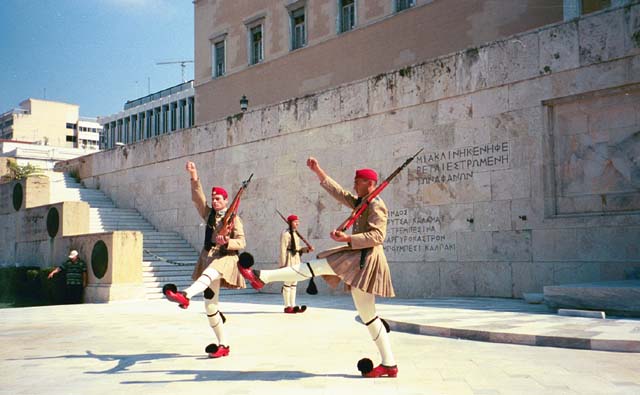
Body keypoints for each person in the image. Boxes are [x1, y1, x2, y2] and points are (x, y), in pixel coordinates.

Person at [239, 157, 398, 378]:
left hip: (365, 260)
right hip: (359, 258)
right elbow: (340, 193)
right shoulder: (363, 202)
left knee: (318, 265)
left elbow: (378, 236)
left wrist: (346, 239)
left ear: (369, 183)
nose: (354, 185)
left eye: (358, 181)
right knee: (369, 317)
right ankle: (389, 364)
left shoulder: (376, 204)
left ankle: (262, 277)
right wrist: (319, 172)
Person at [163, 161, 247, 359]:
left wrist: (227, 241)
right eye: (214, 199)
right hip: (208, 257)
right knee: (210, 307)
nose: (215, 201)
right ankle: (223, 345)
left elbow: (242, 242)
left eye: (218, 199)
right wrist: (194, 175)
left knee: (209, 274)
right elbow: (198, 199)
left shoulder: (234, 219)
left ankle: (185, 295)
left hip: (225, 258)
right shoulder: (209, 214)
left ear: (226, 201)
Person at [279, 214, 314, 314]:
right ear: (290, 222)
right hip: (289, 259)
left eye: (298, 221)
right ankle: (287, 306)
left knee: (294, 283)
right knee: (287, 282)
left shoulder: (295, 234)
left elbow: (298, 248)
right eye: (295, 221)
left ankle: (293, 305)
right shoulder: (286, 234)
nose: (297, 223)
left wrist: (307, 249)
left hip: (296, 259)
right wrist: (282, 264)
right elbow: (282, 249)